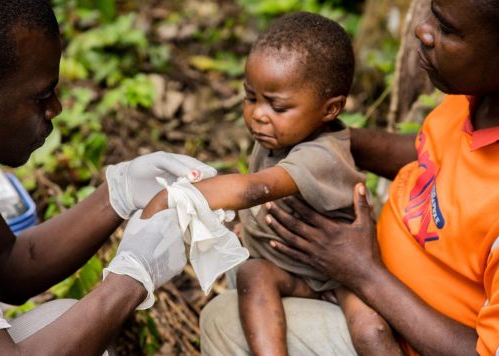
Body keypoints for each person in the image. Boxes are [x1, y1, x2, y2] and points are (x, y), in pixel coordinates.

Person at [0, 1, 218, 355]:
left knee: (64, 323)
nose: (55, 108)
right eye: (40, 96)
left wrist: (118, 192)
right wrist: (130, 280)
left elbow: (10, 266)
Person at [200, 0, 499, 355]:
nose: (422, 29)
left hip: (401, 331)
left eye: (447, 29)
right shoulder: (476, 99)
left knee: (225, 320)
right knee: (246, 272)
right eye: (433, 10)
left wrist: (364, 272)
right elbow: (433, 154)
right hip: (359, 280)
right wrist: (319, 148)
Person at [142, 12, 400, 356]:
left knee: (371, 331)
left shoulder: (321, 154)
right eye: (251, 98)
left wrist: (175, 196)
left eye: (277, 106)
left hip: (342, 277)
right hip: (290, 269)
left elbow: (256, 188)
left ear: (331, 109)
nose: (259, 114)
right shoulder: (276, 135)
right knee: (253, 275)